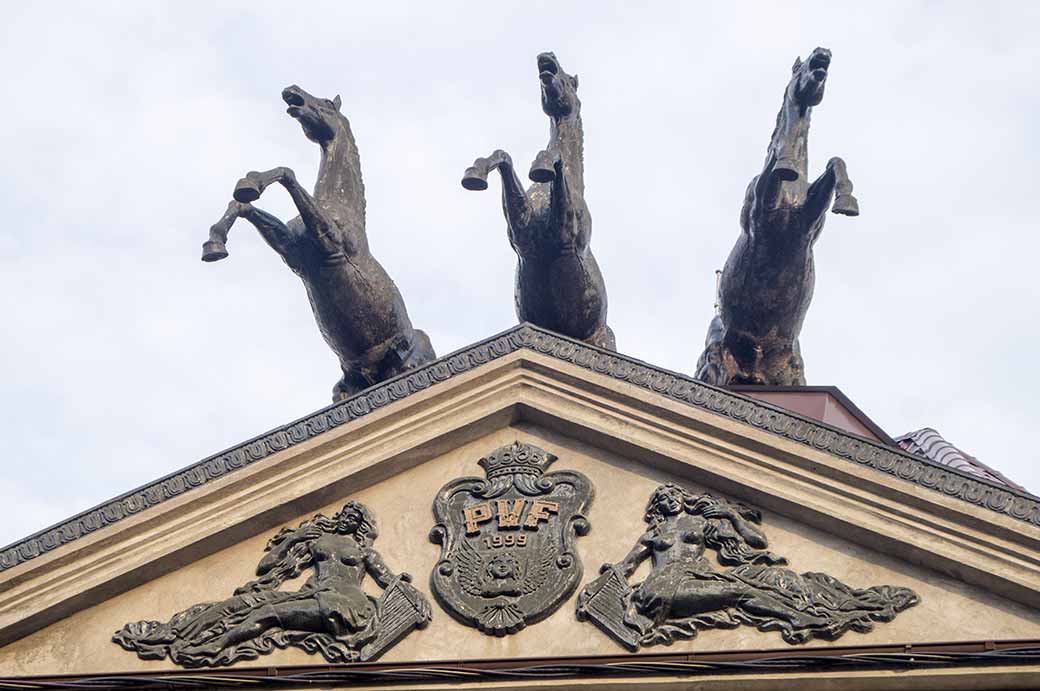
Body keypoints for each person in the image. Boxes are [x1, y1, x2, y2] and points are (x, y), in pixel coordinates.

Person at [114, 501, 419, 667]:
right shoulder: (318, 540)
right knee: (238, 605)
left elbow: (387, 580)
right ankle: (179, 633)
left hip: (348, 606)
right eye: (346, 512)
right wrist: (296, 538)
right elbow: (267, 566)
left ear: (361, 524)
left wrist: (406, 588)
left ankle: (214, 645)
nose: (348, 518)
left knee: (266, 615)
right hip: (315, 594)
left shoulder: (365, 551)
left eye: (356, 516)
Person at [613, 484, 917, 646]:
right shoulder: (653, 533)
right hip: (660, 590)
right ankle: (802, 620)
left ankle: (813, 611)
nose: (669, 500)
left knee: (763, 581)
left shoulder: (698, 524)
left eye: (673, 494)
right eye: (662, 498)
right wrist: (608, 579)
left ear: (682, 497)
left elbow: (756, 542)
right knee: (738, 592)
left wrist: (731, 516)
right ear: (657, 507)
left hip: (694, 578)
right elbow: (627, 566)